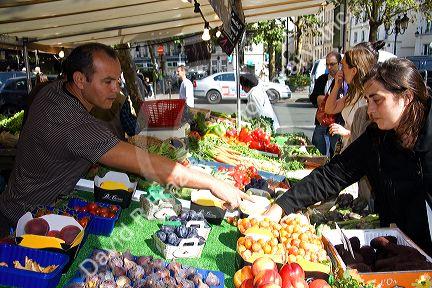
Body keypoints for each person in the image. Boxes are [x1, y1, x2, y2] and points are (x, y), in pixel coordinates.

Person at [0, 43, 248, 238]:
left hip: (23, 200)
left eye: (117, 80)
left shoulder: (55, 91)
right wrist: (212, 183)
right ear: (79, 80)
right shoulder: (73, 123)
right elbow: (147, 165)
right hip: (23, 219)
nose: (116, 90)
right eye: (107, 82)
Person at [265, 58, 432, 255]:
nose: (370, 111)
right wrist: (282, 205)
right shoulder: (376, 137)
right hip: (402, 252)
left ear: (406, 97)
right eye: (368, 101)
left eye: (377, 100)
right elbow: (332, 175)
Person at [325, 46, 377, 147]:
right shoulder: (354, 92)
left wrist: (346, 132)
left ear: (353, 71)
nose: (341, 71)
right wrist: (336, 86)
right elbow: (330, 108)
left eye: (343, 67)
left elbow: (370, 133)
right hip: (347, 150)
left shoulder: (369, 97)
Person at [309, 51, 345, 157]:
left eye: (332, 64)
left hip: (337, 123)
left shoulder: (345, 81)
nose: (329, 67)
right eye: (327, 64)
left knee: (335, 152)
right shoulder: (322, 79)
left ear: (339, 64)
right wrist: (318, 99)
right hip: (322, 122)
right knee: (318, 151)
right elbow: (313, 97)